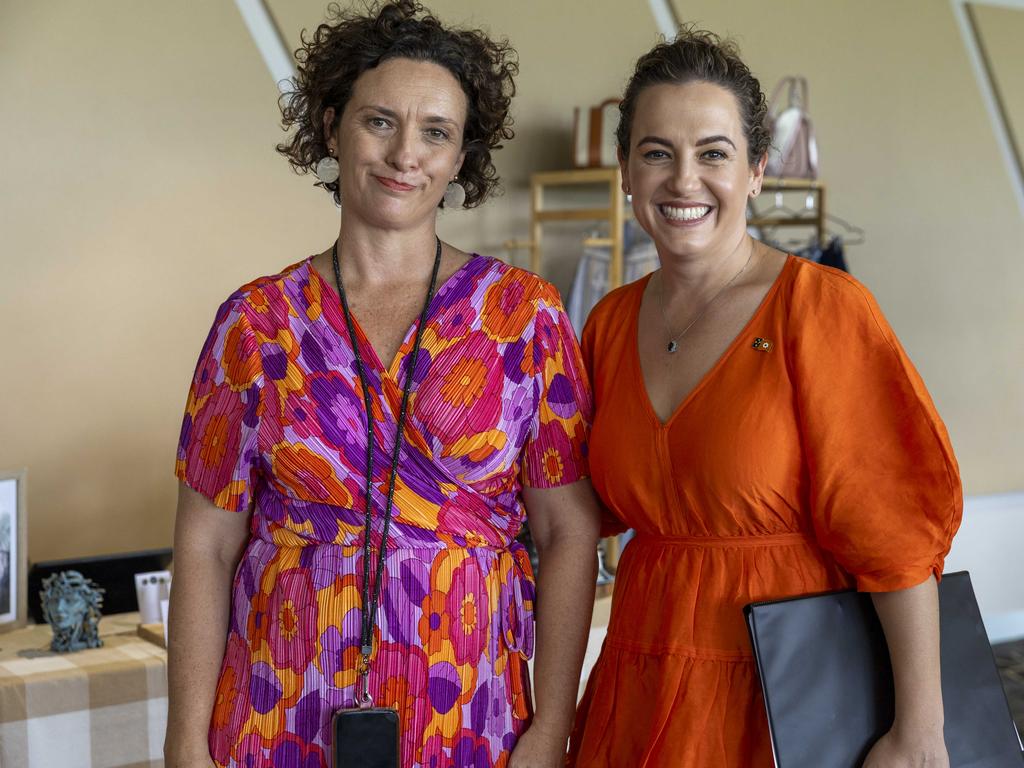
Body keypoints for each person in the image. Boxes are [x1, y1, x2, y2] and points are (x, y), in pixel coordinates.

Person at [164, 3, 600, 767]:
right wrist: (183, 744)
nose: (406, 154)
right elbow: (205, 543)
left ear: (462, 156)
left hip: (474, 715)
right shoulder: (256, 324)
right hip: (280, 711)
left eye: (436, 131)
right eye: (379, 122)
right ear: (331, 128)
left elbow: (568, 534)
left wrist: (550, 728)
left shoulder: (523, 317)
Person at [568, 29, 962, 768]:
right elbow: (583, 508)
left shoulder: (822, 309)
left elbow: (898, 542)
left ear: (756, 171)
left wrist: (919, 733)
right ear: (626, 170)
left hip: (783, 690)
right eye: (657, 152)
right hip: (638, 676)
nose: (684, 180)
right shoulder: (610, 323)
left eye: (713, 153)